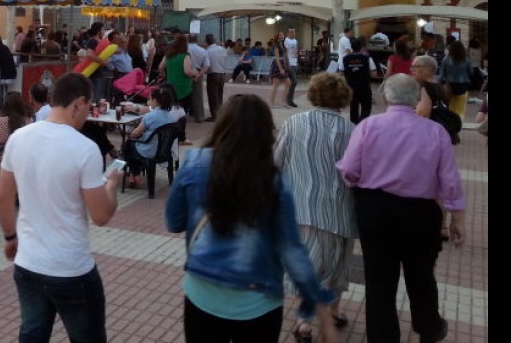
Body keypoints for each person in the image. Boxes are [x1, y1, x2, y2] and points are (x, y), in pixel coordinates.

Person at [165, 94, 339, 343]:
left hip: (202, 293)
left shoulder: (194, 162)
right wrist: (320, 309)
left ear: (223, 125)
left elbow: (173, 222)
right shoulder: (275, 181)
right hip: (258, 302)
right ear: (265, 131)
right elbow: (292, 251)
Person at [337, 73, 465, 343]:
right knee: (421, 273)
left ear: (385, 97)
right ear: (417, 99)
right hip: (420, 213)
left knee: (379, 279)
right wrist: (457, 218)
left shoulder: (368, 126)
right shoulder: (435, 131)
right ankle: (429, 326)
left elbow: (348, 170)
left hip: (376, 211)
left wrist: (363, 183)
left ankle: (383, 337)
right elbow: (450, 180)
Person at [0, 72, 122, 343]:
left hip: (28, 263)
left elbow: (3, 196)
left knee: (32, 334)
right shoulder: (85, 149)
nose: (87, 114)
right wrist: (111, 186)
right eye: (88, 107)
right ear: (77, 104)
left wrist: (10, 237)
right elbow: (101, 215)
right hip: (70, 269)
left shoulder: (19, 137)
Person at [274, 73, 358, 342]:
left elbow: (276, 162)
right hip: (339, 210)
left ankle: (303, 322)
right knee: (336, 265)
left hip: (299, 209)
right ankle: (332, 312)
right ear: (343, 98)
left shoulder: (294, 123)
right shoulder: (352, 131)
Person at [121, 82, 179, 183]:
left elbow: (135, 133)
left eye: (150, 99)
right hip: (164, 151)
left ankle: (134, 174)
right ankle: (133, 175)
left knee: (128, 145)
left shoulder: (150, 116)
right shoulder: (171, 117)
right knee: (133, 146)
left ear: (155, 101)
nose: (149, 101)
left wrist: (129, 134)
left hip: (148, 150)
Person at [335, 37, 378, 124]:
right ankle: (363, 123)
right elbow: (374, 73)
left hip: (351, 87)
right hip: (364, 86)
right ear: (361, 47)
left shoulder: (345, 59)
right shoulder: (367, 58)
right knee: (366, 106)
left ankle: (354, 124)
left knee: (353, 107)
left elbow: (341, 72)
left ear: (351, 47)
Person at [164, 34, 198, 142]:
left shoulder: (168, 55)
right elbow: (187, 71)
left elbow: (160, 67)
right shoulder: (185, 55)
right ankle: (181, 136)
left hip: (170, 87)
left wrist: (168, 73)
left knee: (170, 111)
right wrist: (195, 74)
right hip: (183, 88)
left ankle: (169, 133)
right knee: (182, 114)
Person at [438, 40, 472, 120]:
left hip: (450, 86)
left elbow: (441, 75)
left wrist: (439, 85)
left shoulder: (446, 59)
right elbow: (471, 72)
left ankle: (451, 126)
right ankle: (459, 124)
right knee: (460, 109)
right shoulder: (467, 60)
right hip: (463, 86)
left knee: (450, 107)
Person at [203, 34, 229, 120]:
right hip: (222, 73)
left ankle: (214, 115)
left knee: (212, 96)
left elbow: (207, 64)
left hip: (213, 74)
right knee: (219, 95)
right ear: (214, 40)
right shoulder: (222, 49)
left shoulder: (207, 51)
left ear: (206, 42)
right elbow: (225, 59)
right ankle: (220, 113)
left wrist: (203, 72)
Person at [267, 37, 296, 108]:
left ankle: (283, 102)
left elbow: (286, 56)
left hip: (283, 64)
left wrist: (287, 65)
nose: (282, 36)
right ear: (277, 37)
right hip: (277, 65)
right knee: (275, 85)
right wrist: (280, 69)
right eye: (280, 35)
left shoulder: (283, 45)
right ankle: (271, 103)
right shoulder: (276, 46)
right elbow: (277, 58)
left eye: (282, 35)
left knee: (288, 82)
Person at [283, 27, 301, 106]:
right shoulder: (286, 41)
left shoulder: (295, 41)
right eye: (291, 32)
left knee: (291, 82)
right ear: (288, 33)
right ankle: (289, 100)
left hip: (294, 63)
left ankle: (288, 99)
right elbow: (285, 53)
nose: (293, 33)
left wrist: (297, 62)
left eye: (294, 32)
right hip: (289, 63)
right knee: (294, 82)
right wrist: (287, 63)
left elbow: (296, 51)